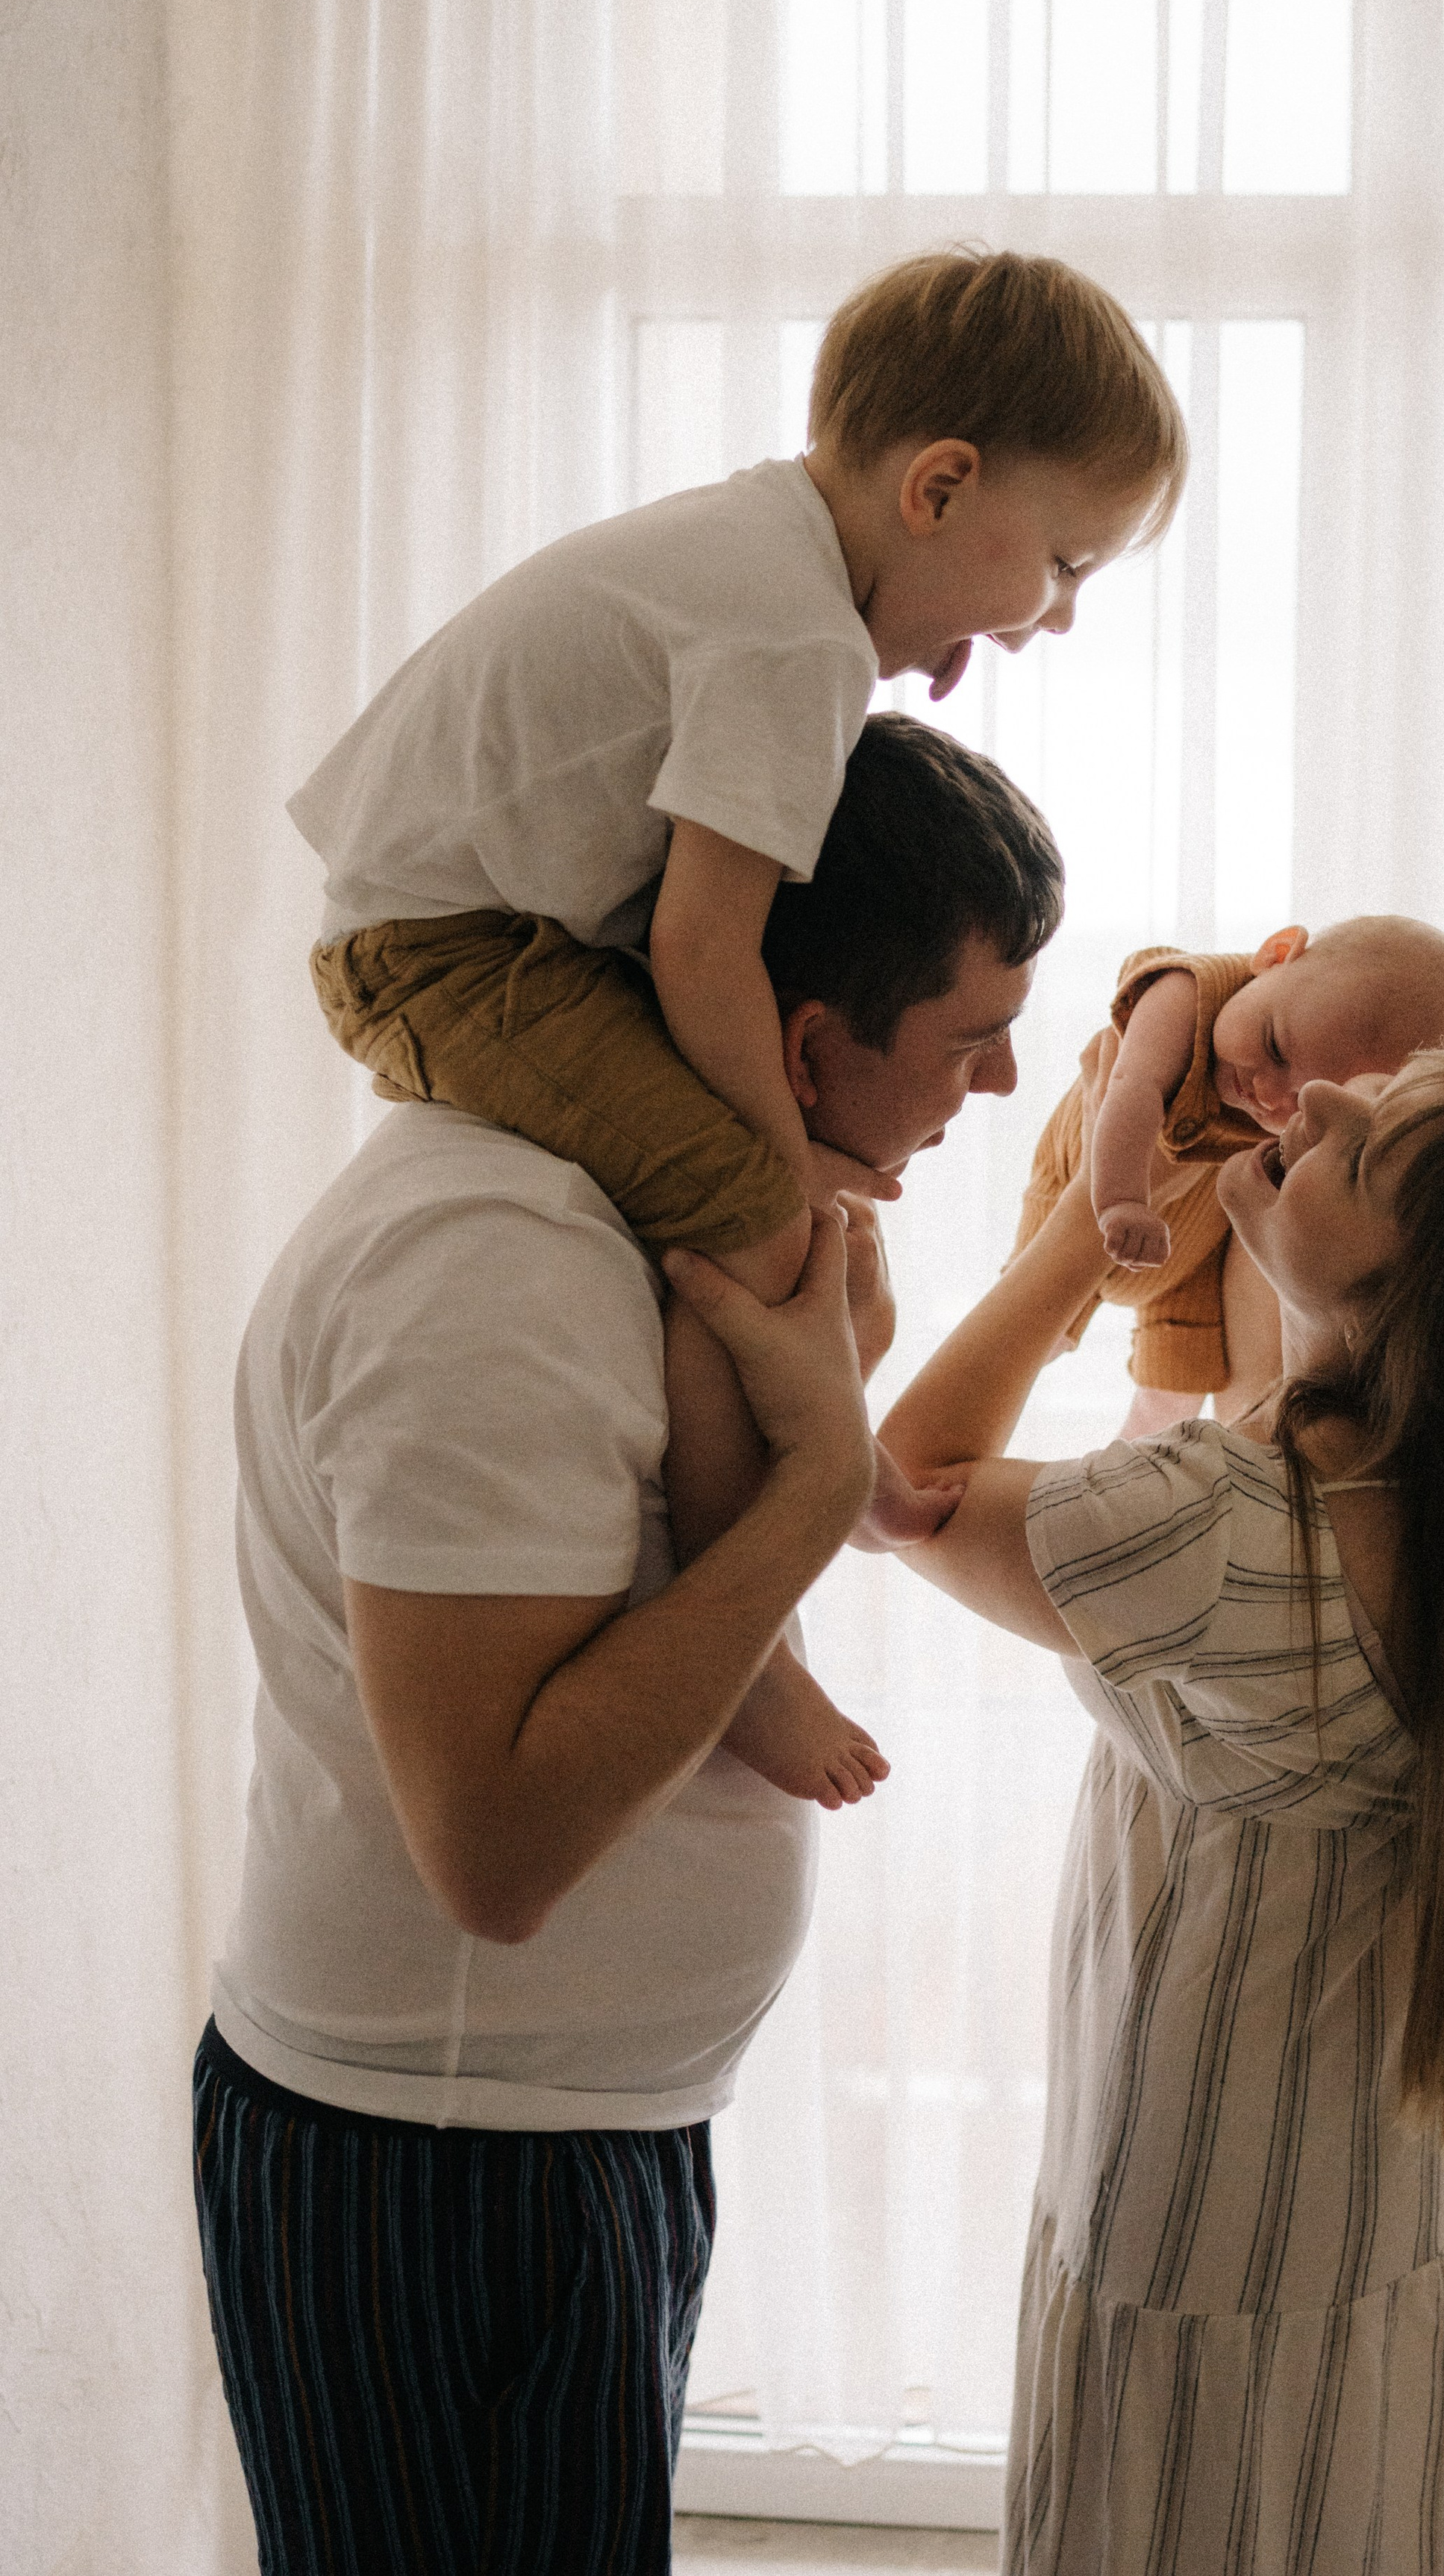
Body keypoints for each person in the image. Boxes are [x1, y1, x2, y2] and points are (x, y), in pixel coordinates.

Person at [193, 715, 1064, 2576]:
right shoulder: (497, 1261)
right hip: (441, 2162)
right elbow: (497, 1847)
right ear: (812, 1040)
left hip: (559, 2126)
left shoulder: (652, 1231)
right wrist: (821, 1468)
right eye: (970, 1033)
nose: (1001, 1079)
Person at [287, 248, 1184, 1804]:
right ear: (940, 486)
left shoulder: (760, 561)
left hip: (462, 924)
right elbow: (707, 944)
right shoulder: (791, 637)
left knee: (792, 1238)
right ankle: (752, 1648)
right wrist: (778, 1182)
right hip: (448, 952)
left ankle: (794, 1515)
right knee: (755, 1228)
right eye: (1061, 564)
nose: (1052, 623)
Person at [828, 1033, 1444, 2572]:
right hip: (1404, 2183)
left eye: (1367, 1151)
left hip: (1209, 2204)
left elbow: (903, 1480)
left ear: (1411, 1302)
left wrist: (1079, 1230)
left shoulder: (1217, 1534)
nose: (1335, 1100)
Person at [1013, 914, 1444, 1433]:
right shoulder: (1184, 996)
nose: (1267, 1093)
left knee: (1172, 1397)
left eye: (1305, 1097)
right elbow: (1128, 1086)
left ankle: (1126, 1487)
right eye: (1276, 1047)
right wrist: (1121, 1200)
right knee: (1034, 1339)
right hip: (1095, 1177)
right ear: (1276, 954)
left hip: (1190, 1251)